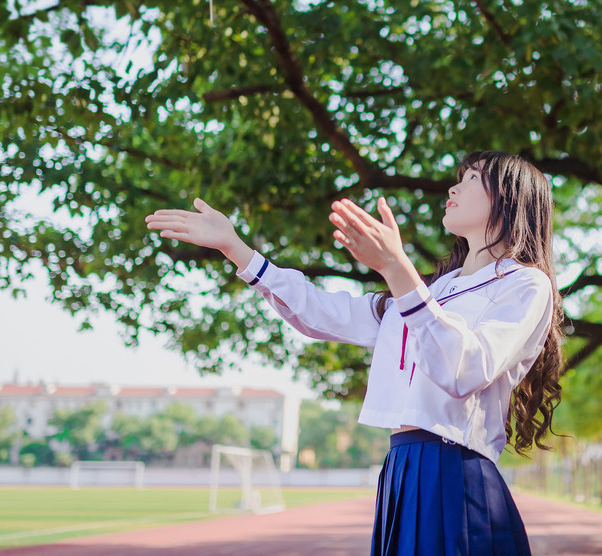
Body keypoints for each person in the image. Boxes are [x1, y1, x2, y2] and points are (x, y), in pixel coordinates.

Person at [145, 150, 564, 556]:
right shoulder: (434, 290)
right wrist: (236, 249)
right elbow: (324, 312)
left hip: (454, 470)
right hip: (402, 465)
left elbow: (466, 368)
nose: (453, 188)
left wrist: (397, 269)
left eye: (471, 178)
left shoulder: (526, 285)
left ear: (510, 198)